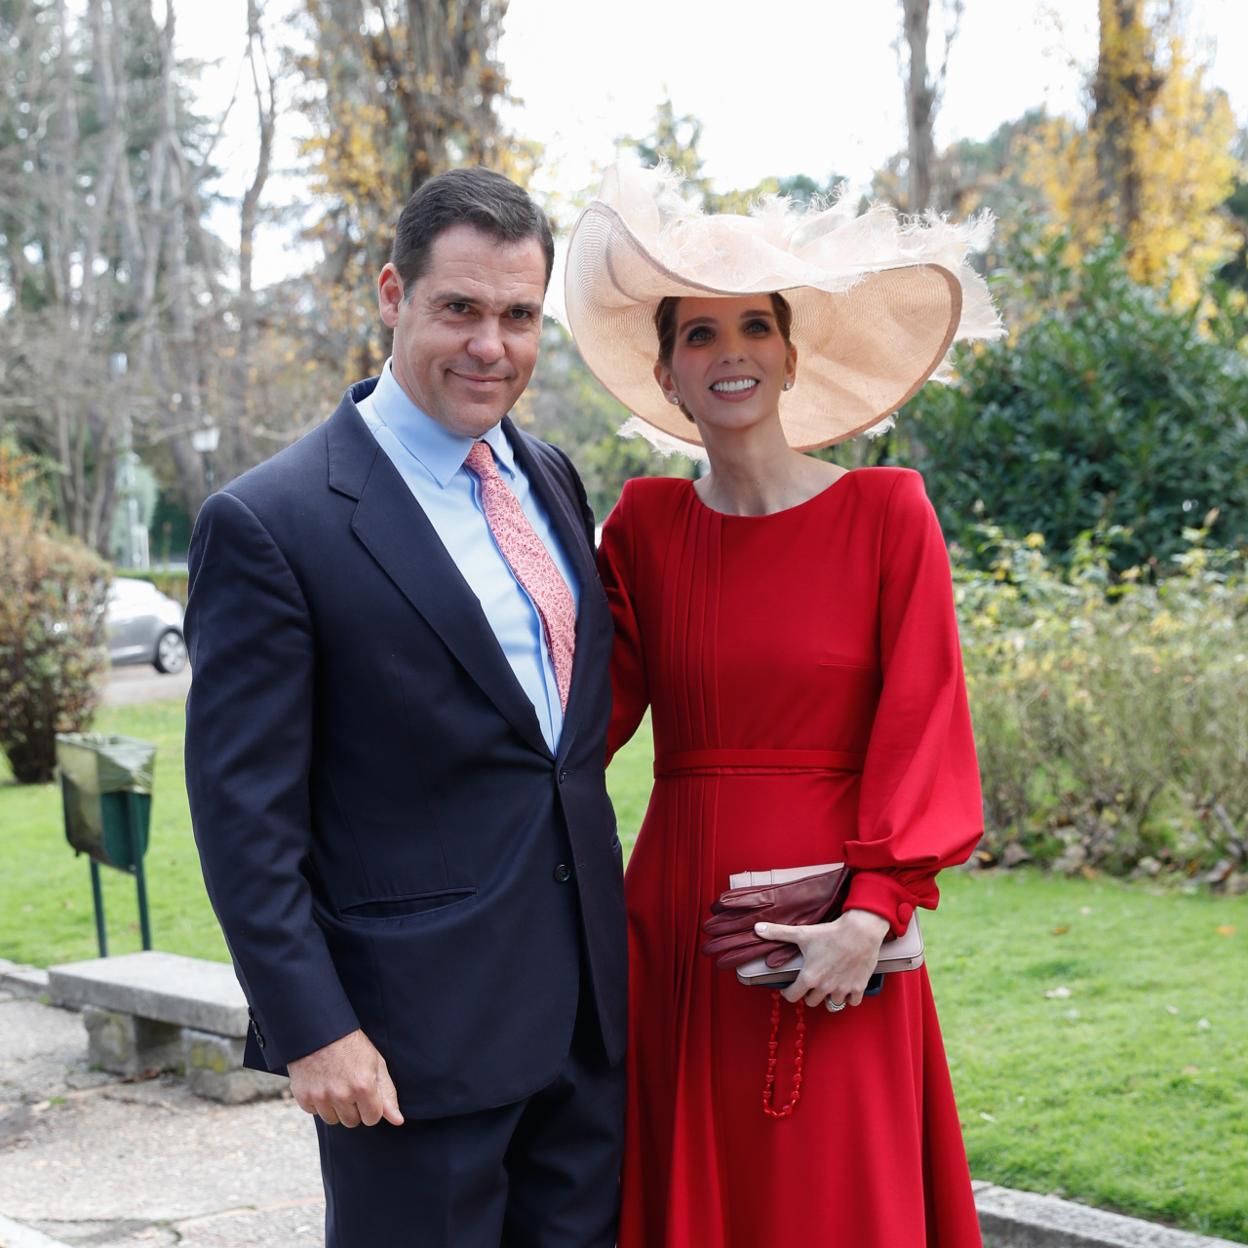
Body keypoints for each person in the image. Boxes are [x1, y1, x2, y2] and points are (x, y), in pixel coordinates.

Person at [184, 166, 626, 1248]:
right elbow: (245, 818)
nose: (492, 345)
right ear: (392, 294)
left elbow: (553, 752)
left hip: (585, 1025)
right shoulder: (271, 524)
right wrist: (313, 1029)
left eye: (519, 316)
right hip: (407, 1047)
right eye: (459, 309)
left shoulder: (550, 476)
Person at [563, 163, 1004, 1247]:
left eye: (753, 326)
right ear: (665, 373)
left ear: (791, 354)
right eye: (699, 336)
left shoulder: (888, 513)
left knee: (831, 1195)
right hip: (674, 935)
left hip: (840, 932)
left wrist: (870, 913)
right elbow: (571, 721)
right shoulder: (644, 530)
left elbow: (927, 725)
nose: (731, 354)